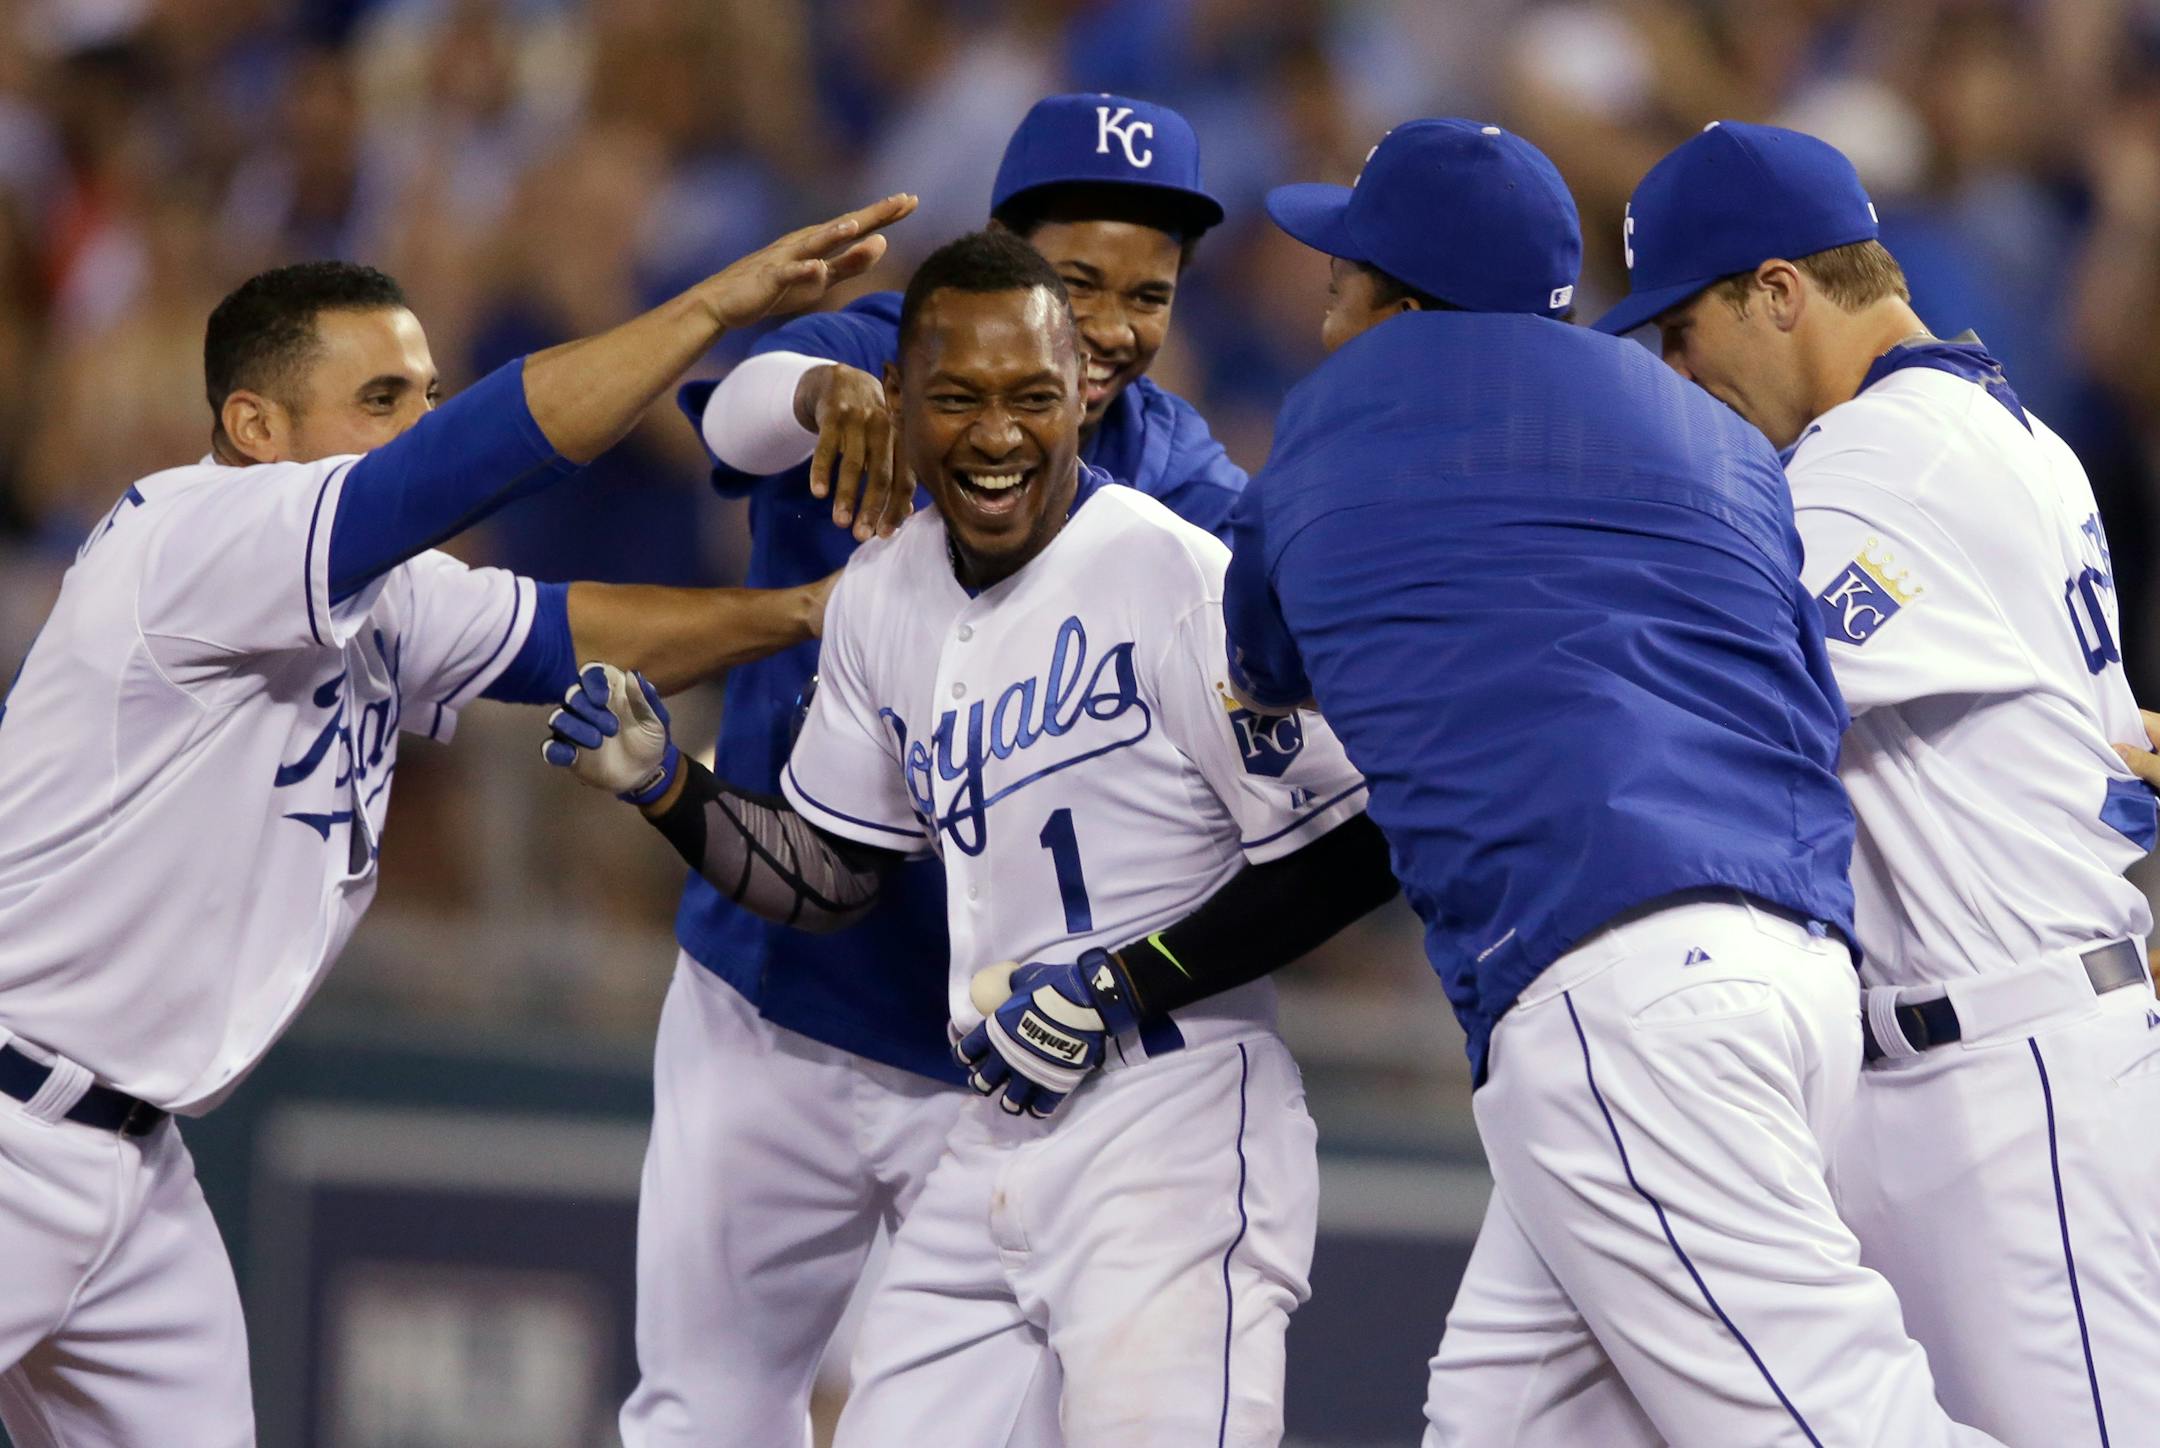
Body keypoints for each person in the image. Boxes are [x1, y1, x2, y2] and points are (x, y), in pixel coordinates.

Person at [0, 195, 913, 1443]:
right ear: (254, 425)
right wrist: (711, 307)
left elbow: (567, 633)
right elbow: (476, 458)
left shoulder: (373, 589)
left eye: (424, 393)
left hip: (135, 1160)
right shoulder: (201, 533)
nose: (416, 423)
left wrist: (808, 611)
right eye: (380, 396)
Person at [545, 228, 1396, 1446]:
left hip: (1173, 1120)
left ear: (1079, 400)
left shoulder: (1175, 574)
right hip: (996, 1127)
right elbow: (834, 872)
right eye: (960, 399)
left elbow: (1354, 842)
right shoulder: (884, 593)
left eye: (1033, 398)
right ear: (898, 405)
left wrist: (1124, 978)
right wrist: (668, 786)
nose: (999, 434)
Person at [1223, 120, 1996, 1445]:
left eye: (1344, 273)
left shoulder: (1338, 416)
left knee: (1831, 1424)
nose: (1325, 300)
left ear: (1401, 301)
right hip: (1798, 972)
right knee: (1501, 1418)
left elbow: (1264, 661)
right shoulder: (1723, 441)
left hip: (1619, 991)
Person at [627, 92, 1247, 1447]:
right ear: (1004, 261)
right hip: (775, 1004)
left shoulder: (1169, 471)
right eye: (1078, 280)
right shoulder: (883, 361)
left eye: (1149, 293)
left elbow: (1266, 608)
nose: (1113, 328)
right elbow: (735, 418)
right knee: (706, 1415)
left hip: (1000, 1064)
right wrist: (822, 394)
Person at [1595, 121, 2160, 1447]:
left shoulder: (1880, 455)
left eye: (1684, 327)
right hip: (1975, 1058)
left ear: (1780, 292)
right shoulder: (1997, 427)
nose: (1676, 369)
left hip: (2008, 1078)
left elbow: (1704, 711)